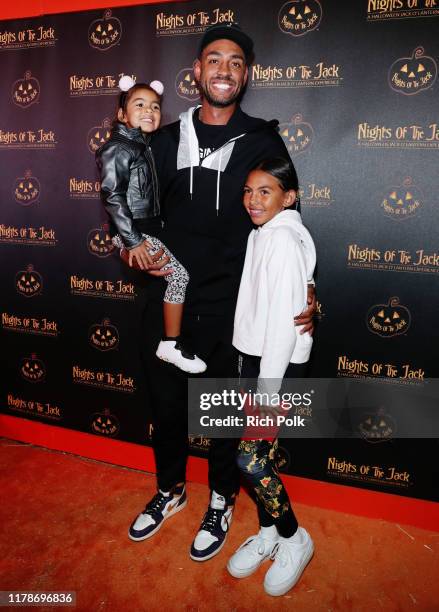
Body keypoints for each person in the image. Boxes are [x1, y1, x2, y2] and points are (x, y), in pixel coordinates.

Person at [128, 23, 316, 562]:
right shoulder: (163, 140)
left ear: (247, 74)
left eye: (236, 62)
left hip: (234, 311)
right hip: (169, 303)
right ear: (197, 70)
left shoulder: (261, 139)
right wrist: (129, 251)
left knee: (223, 417)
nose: (224, 71)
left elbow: (291, 218)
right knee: (165, 406)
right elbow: (133, 220)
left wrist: (308, 287)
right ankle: (169, 490)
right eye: (214, 60)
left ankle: (220, 499)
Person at [227, 157, 315, 596]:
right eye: (247, 190)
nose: (252, 200)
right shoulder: (262, 234)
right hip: (255, 360)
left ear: (289, 197)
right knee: (262, 457)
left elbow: (283, 327)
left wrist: (266, 391)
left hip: (274, 370)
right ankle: (268, 534)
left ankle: (294, 537)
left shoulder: (282, 239)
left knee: (251, 458)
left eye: (265, 191)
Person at [96, 77, 206, 374]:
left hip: (142, 229)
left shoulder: (140, 146)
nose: (149, 111)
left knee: (175, 277)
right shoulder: (118, 148)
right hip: (135, 232)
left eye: (155, 106)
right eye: (139, 104)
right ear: (122, 114)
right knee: (179, 277)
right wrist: (132, 241)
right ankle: (170, 342)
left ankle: (171, 341)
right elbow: (113, 195)